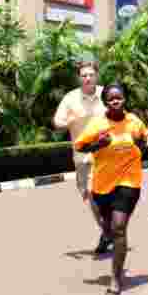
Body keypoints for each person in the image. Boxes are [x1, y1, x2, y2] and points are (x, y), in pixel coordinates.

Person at [73, 84, 148, 295]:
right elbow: (79, 146)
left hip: (129, 181)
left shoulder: (134, 122)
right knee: (109, 227)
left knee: (119, 227)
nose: (115, 101)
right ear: (105, 102)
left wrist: (141, 145)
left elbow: (146, 141)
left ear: (125, 99)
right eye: (111, 99)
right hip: (102, 185)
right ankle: (106, 235)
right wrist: (98, 145)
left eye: (119, 98)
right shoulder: (98, 124)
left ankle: (115, 278)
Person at [54, 62, 110, 254]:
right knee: (87, 193)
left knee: (100, 193)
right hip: (81, 155)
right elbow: (57, 121)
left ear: (96, 76)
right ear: (79, 78)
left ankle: (109, 230)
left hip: (104, 153)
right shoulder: (70, 98)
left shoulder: (106, 94)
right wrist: (69, 121)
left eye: (91, 74)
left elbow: (120, 114)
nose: (88, 78)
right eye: (84, 75)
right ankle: (107, 230)